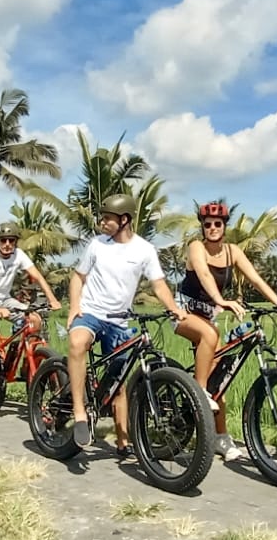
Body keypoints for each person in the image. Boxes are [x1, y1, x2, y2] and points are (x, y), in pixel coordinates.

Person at [65, 193, 188, 452]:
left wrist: (174, 308)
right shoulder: (97, 244)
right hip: (91, 312)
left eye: (107, 218)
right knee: (77, 343)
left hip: (120, 320)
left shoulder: (144, 249)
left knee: (118, 381)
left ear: (124, 219)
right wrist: (74, 307)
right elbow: (78, 277)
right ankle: (79, 414)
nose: (102, 222)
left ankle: (123, 441)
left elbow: (158, 284)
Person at [173, 201, 277, 457]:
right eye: (207, 225)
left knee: (220, 379)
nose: (213, 228)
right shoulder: (196, 247)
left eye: (217, 224)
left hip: (208, 315)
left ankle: (220, 438)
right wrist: (221, 301)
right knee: (209, 336)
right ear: (203, 227)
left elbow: (255, 278)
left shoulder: (232, 252)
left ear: (224, 226)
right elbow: (204, 275)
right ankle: (198, 392)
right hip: (184, 311)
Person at [0, 221, 61, 388]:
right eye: (3, 240)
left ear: (16, 242)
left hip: (5, 300)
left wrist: (52, 298)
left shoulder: (19, 254)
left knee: (35, 319)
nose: (7, 244)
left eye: (11, 240)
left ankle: (28, 363)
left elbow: (37, 276)